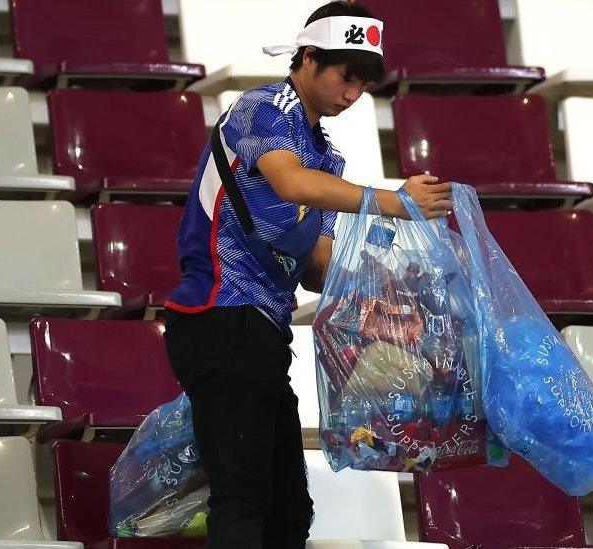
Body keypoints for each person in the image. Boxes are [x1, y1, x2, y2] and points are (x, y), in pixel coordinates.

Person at [163, 2, 451, 547]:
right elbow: (291, 184)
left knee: (289, 514)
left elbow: (317, 265)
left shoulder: (329, 158)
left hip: (261, 332)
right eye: (346, 77)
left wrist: (394, 286)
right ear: (310, 57)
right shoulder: (259, 109)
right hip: (219, 315)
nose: (352, 94)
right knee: (244, 503)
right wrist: (393, 202)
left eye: (363, 85)